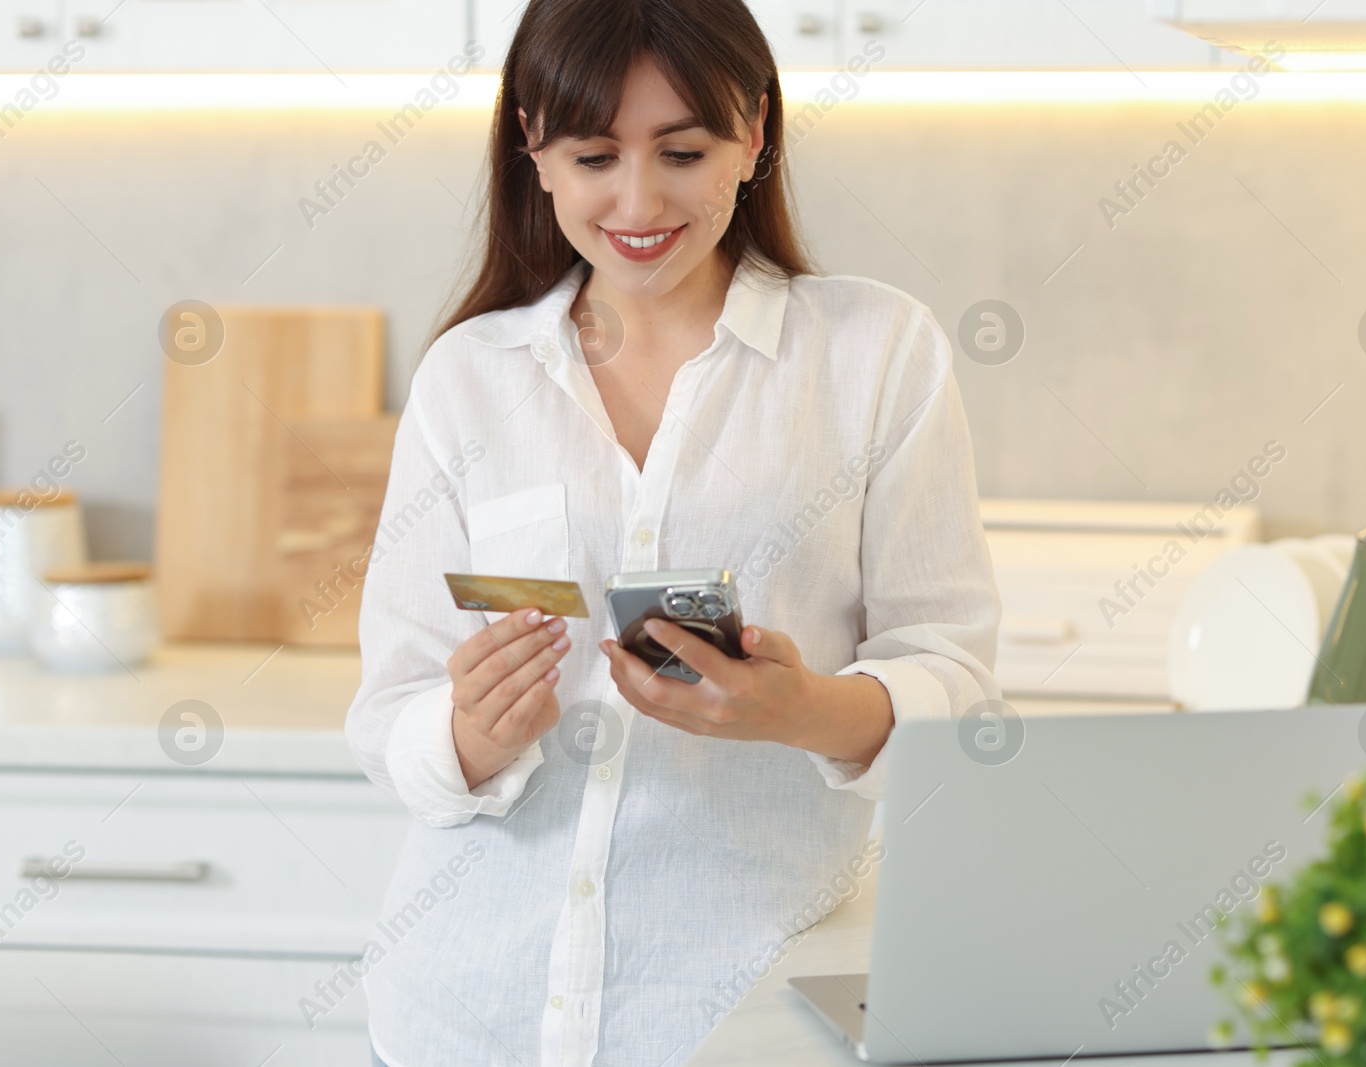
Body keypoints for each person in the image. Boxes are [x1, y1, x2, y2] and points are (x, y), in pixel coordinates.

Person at [344, 0, 1001, 1063]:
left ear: (754, 134)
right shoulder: (470, 376)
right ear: (533, 148)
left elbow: (957, 684)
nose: (638, 200)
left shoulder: (874, 353)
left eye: (682, 151)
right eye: (594, 154)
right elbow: (388, 712)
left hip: (737, 1019)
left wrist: (807, 710)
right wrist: (468, 733)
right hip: (467, 1012)